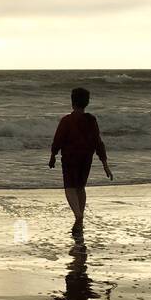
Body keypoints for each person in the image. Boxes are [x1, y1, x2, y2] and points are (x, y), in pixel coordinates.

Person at [48, 86, 112, 233]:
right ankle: (80, 217)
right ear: (87, 102)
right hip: (86, 158)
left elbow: (58, 140)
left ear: (72, 102)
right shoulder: (91, 120)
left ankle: (78, 216)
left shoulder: (67, 120)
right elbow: (98, 142)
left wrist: (53, 156)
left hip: (70, 158)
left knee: (70, 188)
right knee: (80, 188)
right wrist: (105, 164)